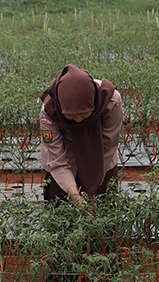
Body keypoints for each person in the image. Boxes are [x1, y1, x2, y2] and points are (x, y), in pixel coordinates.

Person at [39, 64, 123, 205]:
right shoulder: (49, 111)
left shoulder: (111, 101)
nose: (78, 121)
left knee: (104, 216)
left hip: (101, 164)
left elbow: (108, 147)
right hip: (63, 166)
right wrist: (76, 197)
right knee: (61, 218)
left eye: (84, 115)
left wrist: (92, 187)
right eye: (71, 117)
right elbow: (57, 159)